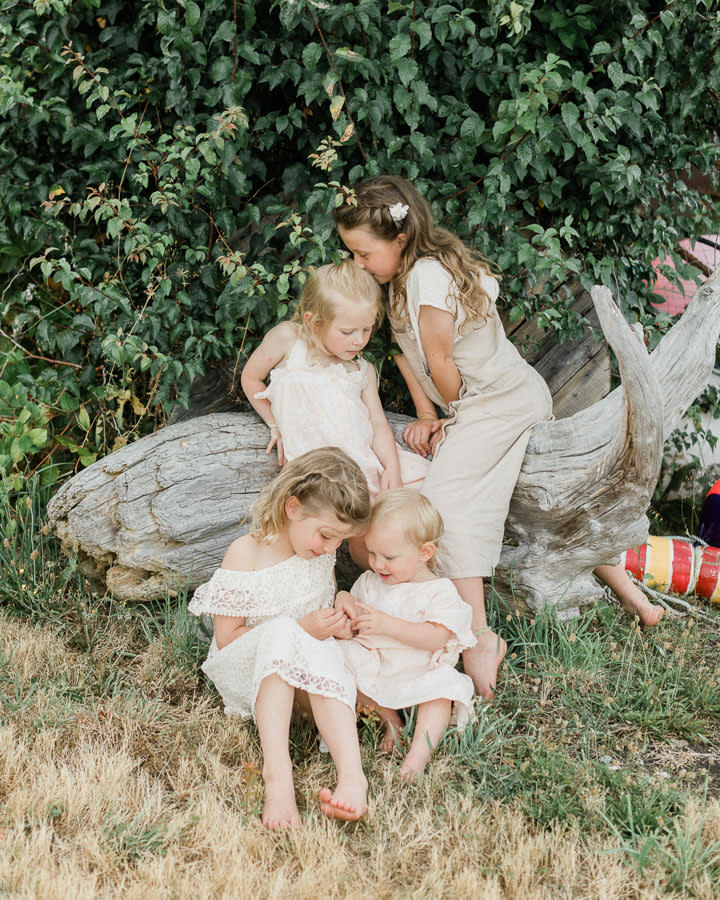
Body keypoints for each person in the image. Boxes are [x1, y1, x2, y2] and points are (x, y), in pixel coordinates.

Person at [333, 175, 662, 699]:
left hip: (499, 401)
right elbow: (406, 356)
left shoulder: (427, 277)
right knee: (535, 505)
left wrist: (452, 416)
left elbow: (441, 363)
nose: (357, 264)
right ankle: (636, 598)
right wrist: (424, 412)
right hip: (481, 402)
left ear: (398, 239)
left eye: (362, 253)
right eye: (351, 254)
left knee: (446, 504)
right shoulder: (398, 285)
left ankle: (479, 637)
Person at [188, 447, 372, 829]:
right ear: (292, 508)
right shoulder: (246, 553)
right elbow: (228, 640)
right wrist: (302, 631)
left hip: (307, 671)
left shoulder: (317, 552)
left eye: (339, 541)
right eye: (326, 535)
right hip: (252, 671)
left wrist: (339, 605)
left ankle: (353, 778)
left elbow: (320, 604)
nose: (331, 549)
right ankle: (278, 776)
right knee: (284, 631)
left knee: (323, 646)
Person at [240, 258, 428, 497]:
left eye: (367, 329)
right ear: (313, 322)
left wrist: (392, 467)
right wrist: (274, 424)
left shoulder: (361, 370)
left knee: (416, 501)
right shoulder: (289, 341)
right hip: (318, 478)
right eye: (348, 332)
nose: (359, 340)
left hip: (363, 467)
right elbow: (250, 378)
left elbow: (378, 424)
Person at [336, 489, 476, 780]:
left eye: (388, 556)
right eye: (372, 553)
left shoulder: (439, 591)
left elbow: (436, 638)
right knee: (342, 660)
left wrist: (388, 625)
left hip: (420, 670)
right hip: (378, 666)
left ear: (424, 552)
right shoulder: (371, 582)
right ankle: (389, 720)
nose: (377, 564)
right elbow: (352, 613)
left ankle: (417, 756)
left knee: (440, 693)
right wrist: (344, 602)